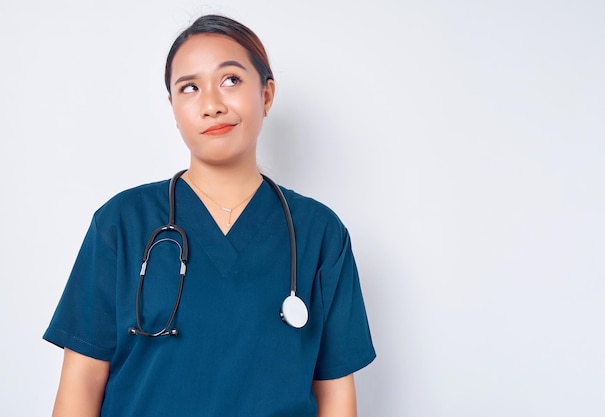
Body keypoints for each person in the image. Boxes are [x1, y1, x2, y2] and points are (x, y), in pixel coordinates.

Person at [44, 14, 375, 417]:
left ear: (267, 94)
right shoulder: (120, 223)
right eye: (190, 88)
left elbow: (336, 393)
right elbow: (81, 383)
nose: (212, 105)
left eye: (231, 80)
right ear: (173, 106)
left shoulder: (320, 233)